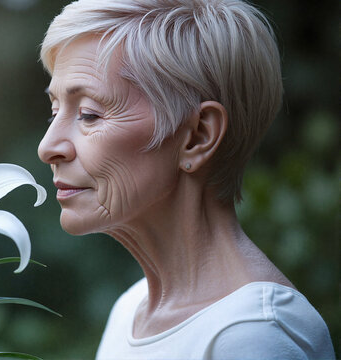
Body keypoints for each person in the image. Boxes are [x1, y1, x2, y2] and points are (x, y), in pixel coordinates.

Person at [37, 0, 335, 358]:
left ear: (197, 137)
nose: (48, 146)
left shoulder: (253, 336)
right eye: (55, 111)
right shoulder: (129, 312)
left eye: (88, 114)